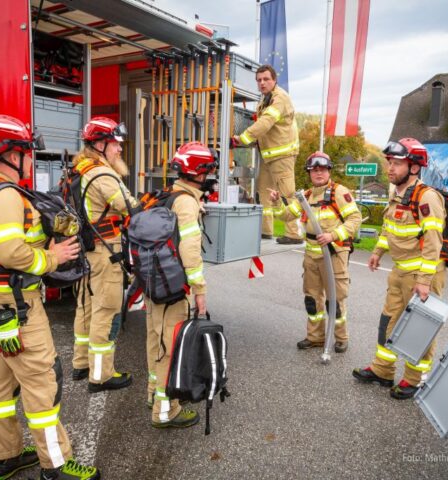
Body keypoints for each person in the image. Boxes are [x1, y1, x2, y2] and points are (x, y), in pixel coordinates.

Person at [0, 115, 99, 480]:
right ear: (10, 153)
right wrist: (53, 258)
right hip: (14, 304)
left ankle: (6, 457)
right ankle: (55, 465)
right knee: (42, 380)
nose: (31, 158)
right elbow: (10, 251)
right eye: (27, 151)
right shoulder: (5, 195)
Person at [352, 138, 446, 400]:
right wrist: (377, 251)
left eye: (397, 163)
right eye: (389, 162)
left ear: (414, 168)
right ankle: (383, 370)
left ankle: (414, 380)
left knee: (420, 330)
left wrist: (425, 280)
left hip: (422, 275)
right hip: (399, 273)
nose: (390, 168)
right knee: (388, 322)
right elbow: (389, 228)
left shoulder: (427, 197)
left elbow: (433, 242)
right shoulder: (397, 194)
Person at [146, 142, 217, 428]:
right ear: (198, 172)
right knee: (170, 348)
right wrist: (200, 290)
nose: (210, 174)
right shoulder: (186, 202)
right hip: (174, 288)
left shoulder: (165, 195)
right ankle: (166, 411)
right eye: (208, 169)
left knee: (156, 343)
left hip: (155, 284)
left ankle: (154, 394)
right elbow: (190, 251)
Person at [70, 116, 138, 394]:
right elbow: (128, 206)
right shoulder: (101, 173)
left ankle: (81, 363)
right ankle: (101, 376)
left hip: (89, 250)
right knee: (106, 312)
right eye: (115, 144)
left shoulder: (81, 169)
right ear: (99, 145)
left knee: (86, 306)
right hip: (105, 250)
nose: (119, 149)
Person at [269, 152, 361, 352]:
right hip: (311, 255)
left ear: (329, 171)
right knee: (312, 299)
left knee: (335, 300)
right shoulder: (306, 196)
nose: (318, 173)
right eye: (314, 170)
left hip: (333, 253)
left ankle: (341, 338)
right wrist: (276, 202)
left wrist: (334, 235)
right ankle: (315, 337)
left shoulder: (339, 192)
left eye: (322, 169)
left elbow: (355, 219)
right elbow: (286, 216)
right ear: (310, 173)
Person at [232, 64, 301, 244]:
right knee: (264, 191)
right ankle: (266, 231)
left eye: (266, 79)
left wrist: (243, 138)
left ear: (274, 80)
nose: (262, 83)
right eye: (259, 80)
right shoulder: (265, 99)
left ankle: (293, 233)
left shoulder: (280, 98)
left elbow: (267, 121)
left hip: (283, 155)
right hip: (268, 155)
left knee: (287, 193)